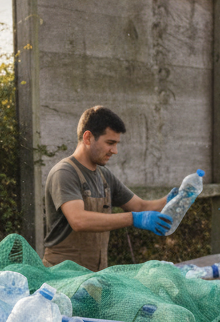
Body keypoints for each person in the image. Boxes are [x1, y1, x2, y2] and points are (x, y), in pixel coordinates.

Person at [41, 106, 176, 272]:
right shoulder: (64, 173)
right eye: (110, 143)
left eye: (116, 144)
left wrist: (173, 200)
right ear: (88, 138)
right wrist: (133, 219)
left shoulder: (105, 176)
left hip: (94, 277)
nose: (115, 151)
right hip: (61, 278)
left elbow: (141, 207)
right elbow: (78, 220)